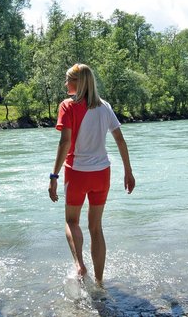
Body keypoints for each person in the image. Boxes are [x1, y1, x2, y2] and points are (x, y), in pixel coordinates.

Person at [48, 63, 135, 286]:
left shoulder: (67, 106)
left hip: (77, 173)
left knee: (71, 221)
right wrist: (128, 171)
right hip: (102, 174)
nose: (65, 84)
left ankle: (79, 265)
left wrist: (54, 176)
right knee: (96, 227)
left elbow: (65, 142)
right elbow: (120, 140)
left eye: (68, 80)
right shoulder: (104, 106)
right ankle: (99, 281)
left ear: (77, 83)